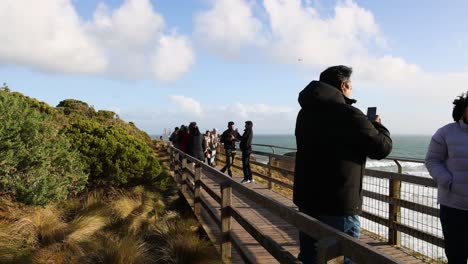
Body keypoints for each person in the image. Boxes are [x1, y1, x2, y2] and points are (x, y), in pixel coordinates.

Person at [294, 65, 392, 264]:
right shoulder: (350, 114)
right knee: (349, 256)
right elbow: (381, 148)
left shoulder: (304, 114)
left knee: (309, 257)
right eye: (351, 86)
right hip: (339, 203)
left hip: (307, 199)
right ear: (343, 85)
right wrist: (378, 125)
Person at [425, 91, 468, 264]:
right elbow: (432, 160)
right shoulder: (446, 132)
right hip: (453, 206)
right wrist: (448, 181)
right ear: (463, 109)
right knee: (456, 255)